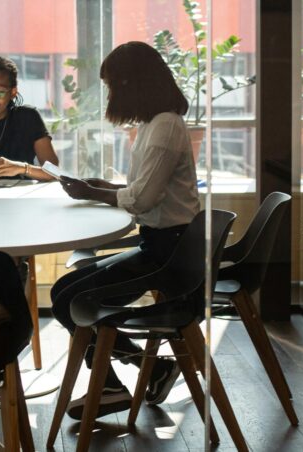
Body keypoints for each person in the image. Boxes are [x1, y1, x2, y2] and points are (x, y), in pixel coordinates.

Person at [52, 41, 200, 419]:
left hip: (168, 255)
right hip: (162, 245)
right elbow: (144, 191)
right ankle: (149, 371)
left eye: (111, 86)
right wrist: (104, 187)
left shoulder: (164, 127)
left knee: (70, 300)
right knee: (63, 292)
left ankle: (113, 388)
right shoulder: (154, 124)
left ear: (130, 83)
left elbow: (142, 200)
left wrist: (92, 192)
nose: (110, 96)